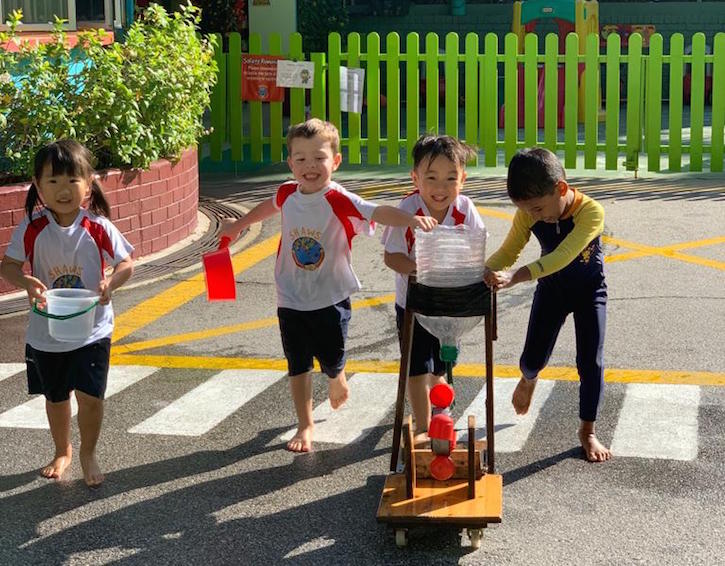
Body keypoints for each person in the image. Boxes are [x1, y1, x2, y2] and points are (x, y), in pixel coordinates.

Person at [219, 118, 438, 453]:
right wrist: (239, 226)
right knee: (298, 362)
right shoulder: (286, 193)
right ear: (290, 163)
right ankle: (305, 424)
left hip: (330, 296)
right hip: (289, 295)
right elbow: (267, 207)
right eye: (301, 158)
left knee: (332, 358)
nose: (310, 166)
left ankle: (337, 376)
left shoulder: (338, 198)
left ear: (335, 161)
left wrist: (410, 219)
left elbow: (375, 211)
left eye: (318, 158)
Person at [0, 140, 135, 486]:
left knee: (91, 397)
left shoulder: (97, 226)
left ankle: (89, 453)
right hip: (48, 331)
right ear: (39, 186)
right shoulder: (32, 228)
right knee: (56, 397)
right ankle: (63, 450)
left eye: (72, 181)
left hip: (93, 327)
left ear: (88, 184)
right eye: (53, 181)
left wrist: (111, 284)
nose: (63, 189)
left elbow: (126, 263)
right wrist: (27, 281)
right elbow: (9, 266)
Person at [483, 147, 610, 462]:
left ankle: (588, 429)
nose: (534, 216)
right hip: (551, 291)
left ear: (561, 189)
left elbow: (562, 255)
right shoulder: (528, 211)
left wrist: (516, 276)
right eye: (528, 211)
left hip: (589, 290)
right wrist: (482, 272)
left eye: (538, 209)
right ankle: (529, 378)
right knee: (532, 359)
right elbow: (508, 252)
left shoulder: (590, 212)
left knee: (590, 362)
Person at [381, 135, 486, 443]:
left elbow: (476, 249)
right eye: (431, 178)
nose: (441, 188)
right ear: (416, 178)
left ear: (463, 180)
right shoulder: (408, 209)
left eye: (450, 178)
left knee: (441, 363)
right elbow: (392, 255)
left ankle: (441, 414)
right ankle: (424, 426)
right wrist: (418, 269)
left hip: (449, 302)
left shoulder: (465, 209)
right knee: (415, 365)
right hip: (413, 300)